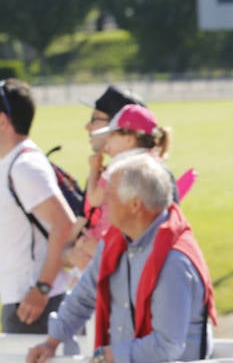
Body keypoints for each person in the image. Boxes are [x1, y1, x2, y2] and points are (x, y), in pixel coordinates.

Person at [25, 152, 217, 363]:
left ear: (136, 205)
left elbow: (167, 344)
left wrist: (106, 357)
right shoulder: (114, 241)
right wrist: (52, 342)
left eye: (111, 195)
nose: (103, 202)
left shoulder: (173, 262)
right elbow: (84, 295)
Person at [0, 78, 77, 334]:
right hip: (20, 298)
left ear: (3, 121)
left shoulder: (24, 167)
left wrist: (42, 288)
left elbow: (64, 223)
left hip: (33, 304)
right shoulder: (11, 162)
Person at [66, 103, 176, 270]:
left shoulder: (120, 168)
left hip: (107, 244)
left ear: (129, 139)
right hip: (131, 250)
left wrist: (94, 169)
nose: (107, 141)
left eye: (111, 136)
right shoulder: (154, 164)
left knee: (81, 268)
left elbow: (94, 199)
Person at [62, 85, 147, 271]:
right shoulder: (102, 173)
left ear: (120, 127)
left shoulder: (145, 178)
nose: (87, 126)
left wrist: (100, 252)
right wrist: (73, 254)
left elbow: (147, 256)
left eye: (95, 120)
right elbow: (67, 247)